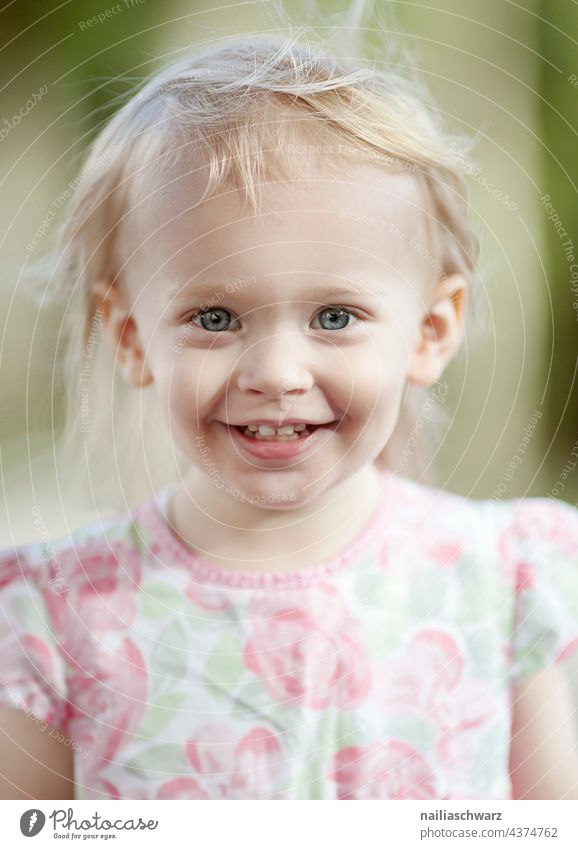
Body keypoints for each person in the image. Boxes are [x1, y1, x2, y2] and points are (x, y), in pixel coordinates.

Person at [1, 29, 577, 802]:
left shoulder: (497, 583)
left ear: (431, 330)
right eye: (213, 317)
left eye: (334, 317)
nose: (274, 373)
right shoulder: (56, 616)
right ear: (130, 336)